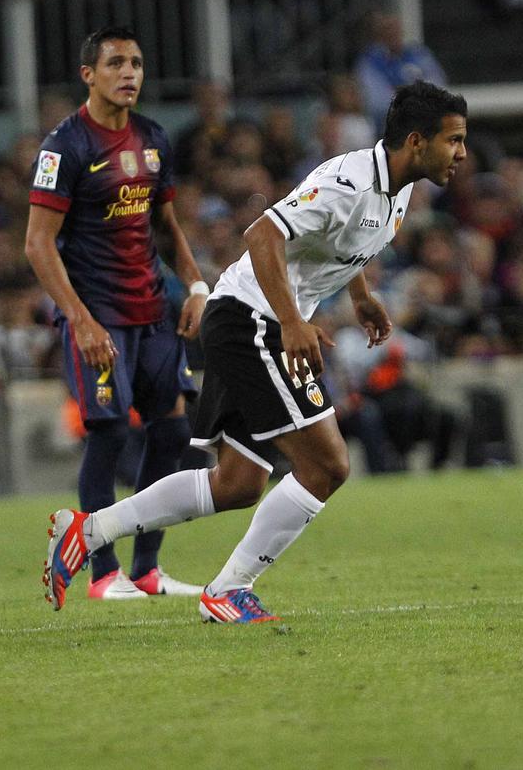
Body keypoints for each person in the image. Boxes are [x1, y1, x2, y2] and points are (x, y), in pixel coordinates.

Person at [44, 81, 468, 622]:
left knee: (238, 484)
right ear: (416, 140)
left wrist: (361, 296)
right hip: (252, 320)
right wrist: (293, 322)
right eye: (453, 140)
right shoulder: (349, 182)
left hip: (247, 319)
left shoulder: (400, 187)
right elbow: (262, 234)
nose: (461, 153)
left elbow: (338, 242)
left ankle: (89, 529)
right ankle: (228, 589)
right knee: (328, 465)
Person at [26, 26, 208, 603]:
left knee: (174, 430)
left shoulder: (153, 138)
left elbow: (165, 224)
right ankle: (103, 574)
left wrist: (196, 284)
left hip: (153, 312)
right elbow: (37, 243)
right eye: (116, 64)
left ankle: (148, 569)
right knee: (106, 433)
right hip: (98, 316)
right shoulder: (65, 146)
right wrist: (79, 320)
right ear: (89, 75)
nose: (129, 73)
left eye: (136, 63)